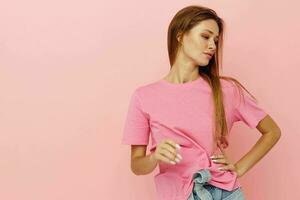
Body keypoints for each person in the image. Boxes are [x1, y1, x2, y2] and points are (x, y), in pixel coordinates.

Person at [121, 5, 281, 200]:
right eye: (205, 37)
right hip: (179, 195)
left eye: (215, 40)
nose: (213, 46)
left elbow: (272, 131)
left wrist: (239, 167)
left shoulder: (226, 90)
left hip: (226, 192)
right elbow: (137, 166)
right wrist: (155, 156)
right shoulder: (144, 96)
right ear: (180, 35)